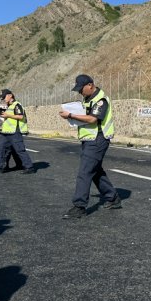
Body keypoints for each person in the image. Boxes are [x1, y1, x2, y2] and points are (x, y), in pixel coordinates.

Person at [58, 74, 121, 219]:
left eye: (81, 89)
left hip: (98, 139)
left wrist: (71, 115)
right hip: (90, 139)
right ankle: (113, 198)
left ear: (90, 85)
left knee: (85, 171)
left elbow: (93, 119)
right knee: (95, 171)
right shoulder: (88, 99)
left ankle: (79, 206)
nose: (80, 92)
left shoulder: (101, 100)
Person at [0, 89, 35, 174]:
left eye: (4, 97)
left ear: (10, 95)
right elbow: (10, 118)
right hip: (6, 132)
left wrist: (8, 115)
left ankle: (29, 167)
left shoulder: (17, 105)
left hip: (15, 131)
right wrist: (5, 116)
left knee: (19, 150)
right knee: (1, 150)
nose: (3, 99)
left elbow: (20, 116)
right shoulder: (9, 106)